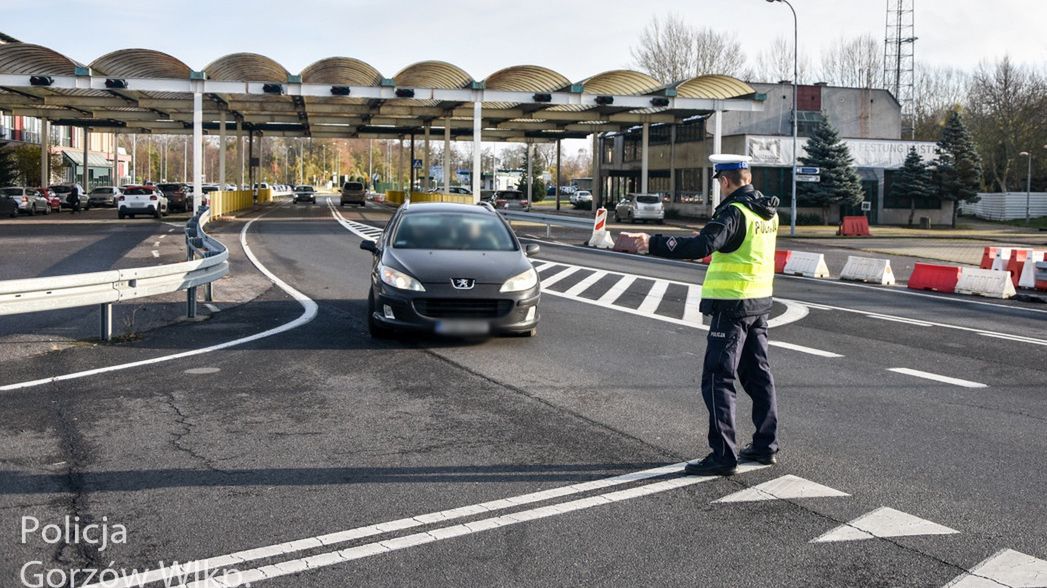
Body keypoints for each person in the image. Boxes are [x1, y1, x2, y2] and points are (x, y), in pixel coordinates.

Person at [645, 155, 781, 476]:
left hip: (731, 306)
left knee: (718, 378)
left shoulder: (735, 212)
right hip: (758, 303)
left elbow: (701, 246)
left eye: (718, 182)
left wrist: (652, 242)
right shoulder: (767, 212)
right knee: (758, 376)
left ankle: (723, 454)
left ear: (725, 181)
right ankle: (765, 445)